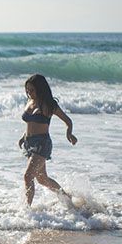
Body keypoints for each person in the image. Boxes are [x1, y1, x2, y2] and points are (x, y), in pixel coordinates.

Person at [19, 74, 77, 206]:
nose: (29, 93)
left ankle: (27, 210)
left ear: (40, 89)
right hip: (29, 144)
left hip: (41, 144)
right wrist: (23, 137)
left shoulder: (48, 105)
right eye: (27, 90)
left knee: (28, 176)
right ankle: (66, 197)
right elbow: (30, 123)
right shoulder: (29, 102)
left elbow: (67, 120)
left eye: (32, 90)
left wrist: (69, 133)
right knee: (42, 179)